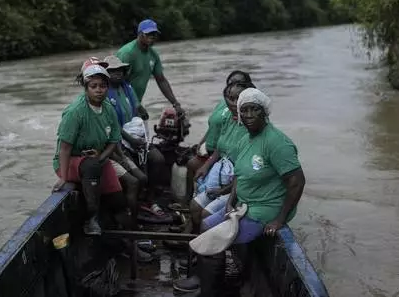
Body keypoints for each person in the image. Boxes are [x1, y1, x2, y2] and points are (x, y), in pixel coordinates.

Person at [173, 88, 306, 296]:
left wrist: (280, 219)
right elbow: (239, 174)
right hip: (243, 205)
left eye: (255, 110)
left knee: (211, 242)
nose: (249, 115)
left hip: (263, 211)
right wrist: (230, 201)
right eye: (245, 110)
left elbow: (297, 181)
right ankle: (207, 277)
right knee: (206, 224)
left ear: (265, 113)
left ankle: (210, 290)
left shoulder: (277, 143)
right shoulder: (246, 138)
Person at [52, 58, 125, 236]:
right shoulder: (75, 112)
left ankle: (117, 232)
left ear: (108, 87)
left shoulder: (108, 108)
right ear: (86, 88)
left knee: (118, 199)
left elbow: (114, 140)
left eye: (102, 86)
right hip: (70, 161)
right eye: (94, 86)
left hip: (95, 159)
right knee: (91, 165)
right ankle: (90, 218)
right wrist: (62, 177)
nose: (99, 90)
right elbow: (64, 148)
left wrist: (101, 157)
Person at [170, 70, 254, 212]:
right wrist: (202, 141)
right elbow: (213, 126)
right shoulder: (223, 104)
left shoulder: (245, 114)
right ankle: (189, 202)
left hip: (224, 157)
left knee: (195, 169)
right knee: (191, 165)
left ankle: (195, 205)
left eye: (239, 84)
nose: (234, 86)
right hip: (213, 149)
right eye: (231, 83)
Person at [101, 55, 167, 219]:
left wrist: (140, 109)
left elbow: (136, 105)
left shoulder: (126, 87)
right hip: (119, 140)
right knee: (139, 177)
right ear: (107, 74)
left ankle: (151, 199)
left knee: (158, 159)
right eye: (113, 71)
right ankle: (132, 206)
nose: (117, 74)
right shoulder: (104, 93)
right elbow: (112, 125)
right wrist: (131, 140)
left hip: (136, 134)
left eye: (120, 71)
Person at [115, 19, 184, 116]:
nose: (152, 37)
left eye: (154, 34)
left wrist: (176, 104)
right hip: (119, 101)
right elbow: (119, 82)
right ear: (139, 34)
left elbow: (161, 80)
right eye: (149, 34)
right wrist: (137, 105)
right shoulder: (127, 53)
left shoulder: (153, 55)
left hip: (136, 101)